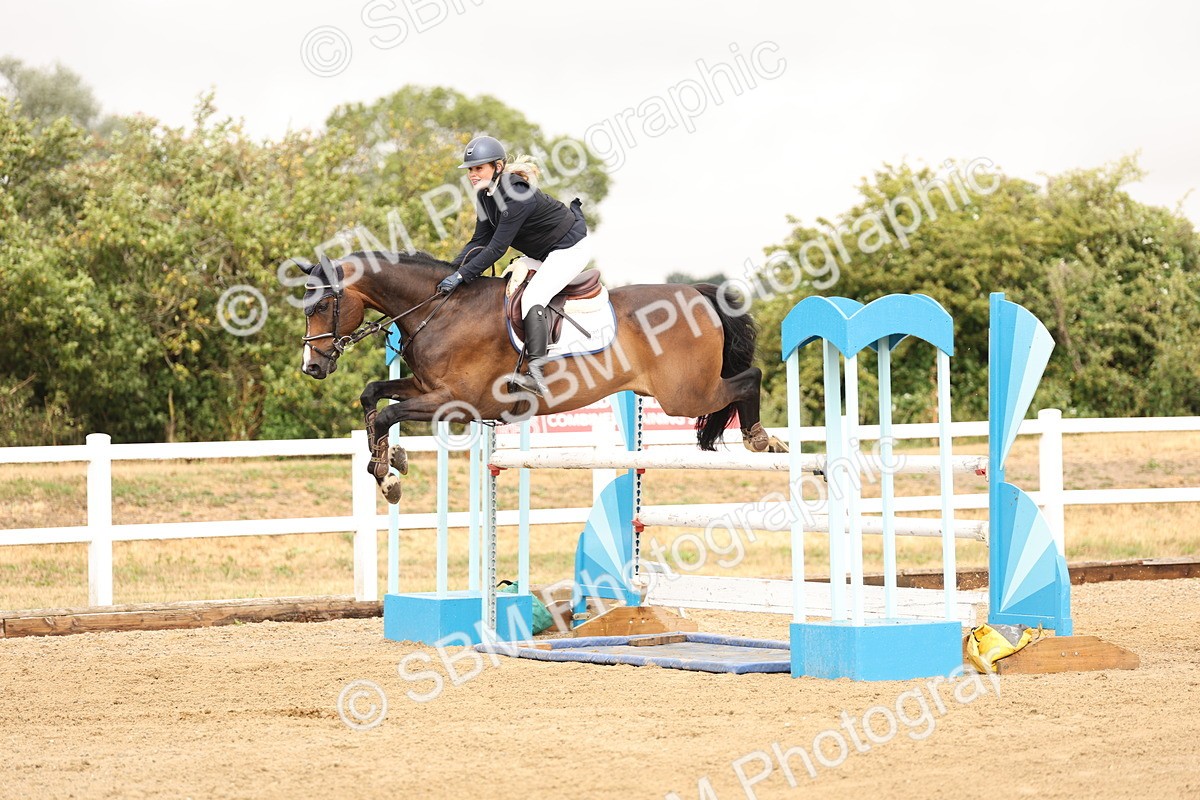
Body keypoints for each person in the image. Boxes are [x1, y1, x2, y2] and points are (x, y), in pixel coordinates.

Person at [437, 135, 591, 396]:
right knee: (507, 289)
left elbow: (497, 248)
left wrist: (463, 276)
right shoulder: (486, 195)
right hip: (544, 252)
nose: (473, 175)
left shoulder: (517, 196)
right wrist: (451, 270)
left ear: (497, 167)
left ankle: (537, 373)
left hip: (569, 249)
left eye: (479, 168)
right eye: (471, 170)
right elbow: (479, 240)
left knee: (532, 297)